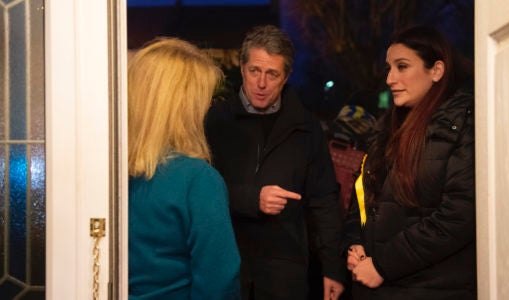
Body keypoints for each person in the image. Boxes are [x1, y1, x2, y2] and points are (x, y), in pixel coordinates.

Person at [205, 25, 346, 300]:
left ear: (286, 77)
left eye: (272, 74)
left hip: (284, 271)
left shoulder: (306, 127)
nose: (261, 83)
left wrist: (333, 268)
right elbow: (201, 192)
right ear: (242, 68)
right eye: (254, 71)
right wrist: (251, 198)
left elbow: (324, 203)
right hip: (226, 262)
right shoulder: (215, 120)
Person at [344, 25, 476, 299]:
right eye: (389, 68)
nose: (390, 78)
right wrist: (354, 243)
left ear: (436, 71)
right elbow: (363, 197)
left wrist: (383, 264)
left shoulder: (465, 123)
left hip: (433, 288)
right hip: (377, 284)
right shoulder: (387, 127)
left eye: (402, 66)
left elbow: (460, 214)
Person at [128, 37, 240, 299]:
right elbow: (219, 282)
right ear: (183, 107)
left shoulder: (108, 173)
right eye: (203, 100)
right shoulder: (197, 180)